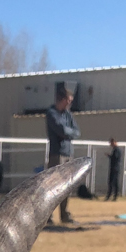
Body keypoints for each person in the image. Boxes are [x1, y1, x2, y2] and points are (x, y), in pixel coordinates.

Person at [45, 87, 80, 223]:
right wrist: (68, 133)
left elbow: (77, 132)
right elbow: (61, 130)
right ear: (62, 99)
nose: (70, 104)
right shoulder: (51, 113)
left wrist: (68, 132)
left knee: (67, 187)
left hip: (68, 154)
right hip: (56, 154)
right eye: (69, 100)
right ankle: (47, 216)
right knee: (53, 186)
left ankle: (64, 214)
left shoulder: (68, 115)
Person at [105, 138, 121, 202]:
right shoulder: (115, 150)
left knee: (114, 183)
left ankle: (115, 196)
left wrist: (109, 156)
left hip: (115, 168)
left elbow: (115, 158)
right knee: (110, 182)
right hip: (113, 168)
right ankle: (109, 195)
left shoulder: (117, 150)